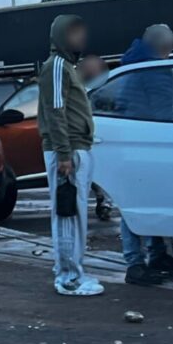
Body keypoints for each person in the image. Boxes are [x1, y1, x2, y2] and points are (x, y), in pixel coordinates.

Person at [37, 15, 104, 296]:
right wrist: (64, 154)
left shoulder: (68, 67)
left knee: (74, 214)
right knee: (67, 214)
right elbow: (56, 111)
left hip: (76, 149)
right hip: (68, 152)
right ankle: (68, 278)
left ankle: (71, 269)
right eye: (74, 34)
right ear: (62, 36)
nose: (80, 39)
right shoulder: (56, 67)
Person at [113, 24, 173, 285]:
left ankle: (154, 255)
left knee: (141, 202)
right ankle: (136, 265)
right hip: (145, 145)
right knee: (137, 206)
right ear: (165, 47)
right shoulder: (154, 72)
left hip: (132, 145)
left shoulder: (137, 65)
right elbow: (166, 112)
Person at [77, 54, 113, 220]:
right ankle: (102, 201)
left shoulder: (103, 90)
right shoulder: (84, 90)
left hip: (99, 138)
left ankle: (103, 201)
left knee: (99, 172)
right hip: (88, 139)